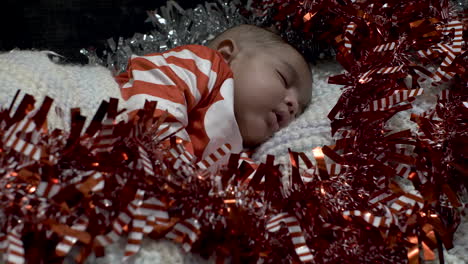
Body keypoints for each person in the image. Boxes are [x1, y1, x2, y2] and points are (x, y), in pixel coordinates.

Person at [116, 24, 313, 169]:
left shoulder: (238, 150)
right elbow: (154, 93)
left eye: (300, 109)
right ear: (227, 54)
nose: (293, 104)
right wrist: (171, 159)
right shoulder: (205, 65)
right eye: (284, 78)